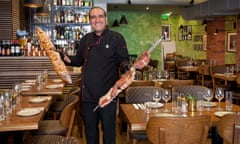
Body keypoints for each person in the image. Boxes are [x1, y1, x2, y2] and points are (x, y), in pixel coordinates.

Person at [62, 7, 130, 144]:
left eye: (100, 16)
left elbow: (123, 60)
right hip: (87, 96)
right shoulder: (85, 39)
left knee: (109, 133)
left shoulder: (117, 38)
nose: (97, 20)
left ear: (105, 19)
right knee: (90, 132)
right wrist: (64, 57)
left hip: (108, 96)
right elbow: (78, 60)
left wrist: (126, 68)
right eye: (93, 17)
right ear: (90, 21)